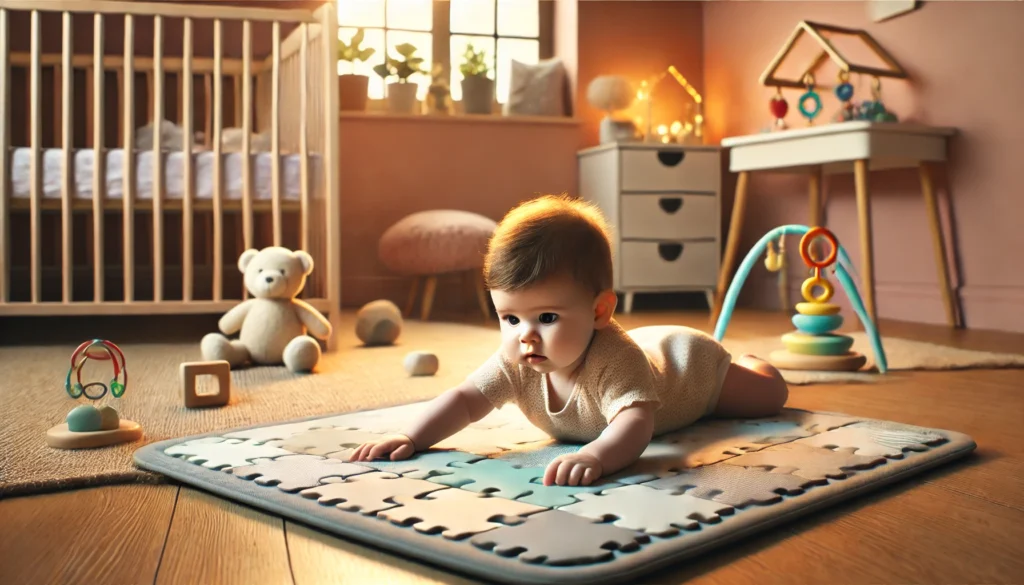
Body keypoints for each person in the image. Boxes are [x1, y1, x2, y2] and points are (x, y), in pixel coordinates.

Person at [350, 194, 789, 486]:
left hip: (687, 366)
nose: (526, 336)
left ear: (599, 311)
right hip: (654, 348)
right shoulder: (517, 358)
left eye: (546, 317)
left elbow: (636, 424)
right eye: (509, 318)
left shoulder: (615, 360)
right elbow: (465, 399)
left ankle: (752, 361)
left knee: (770, 396)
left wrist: (598, 455)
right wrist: (412, 436)